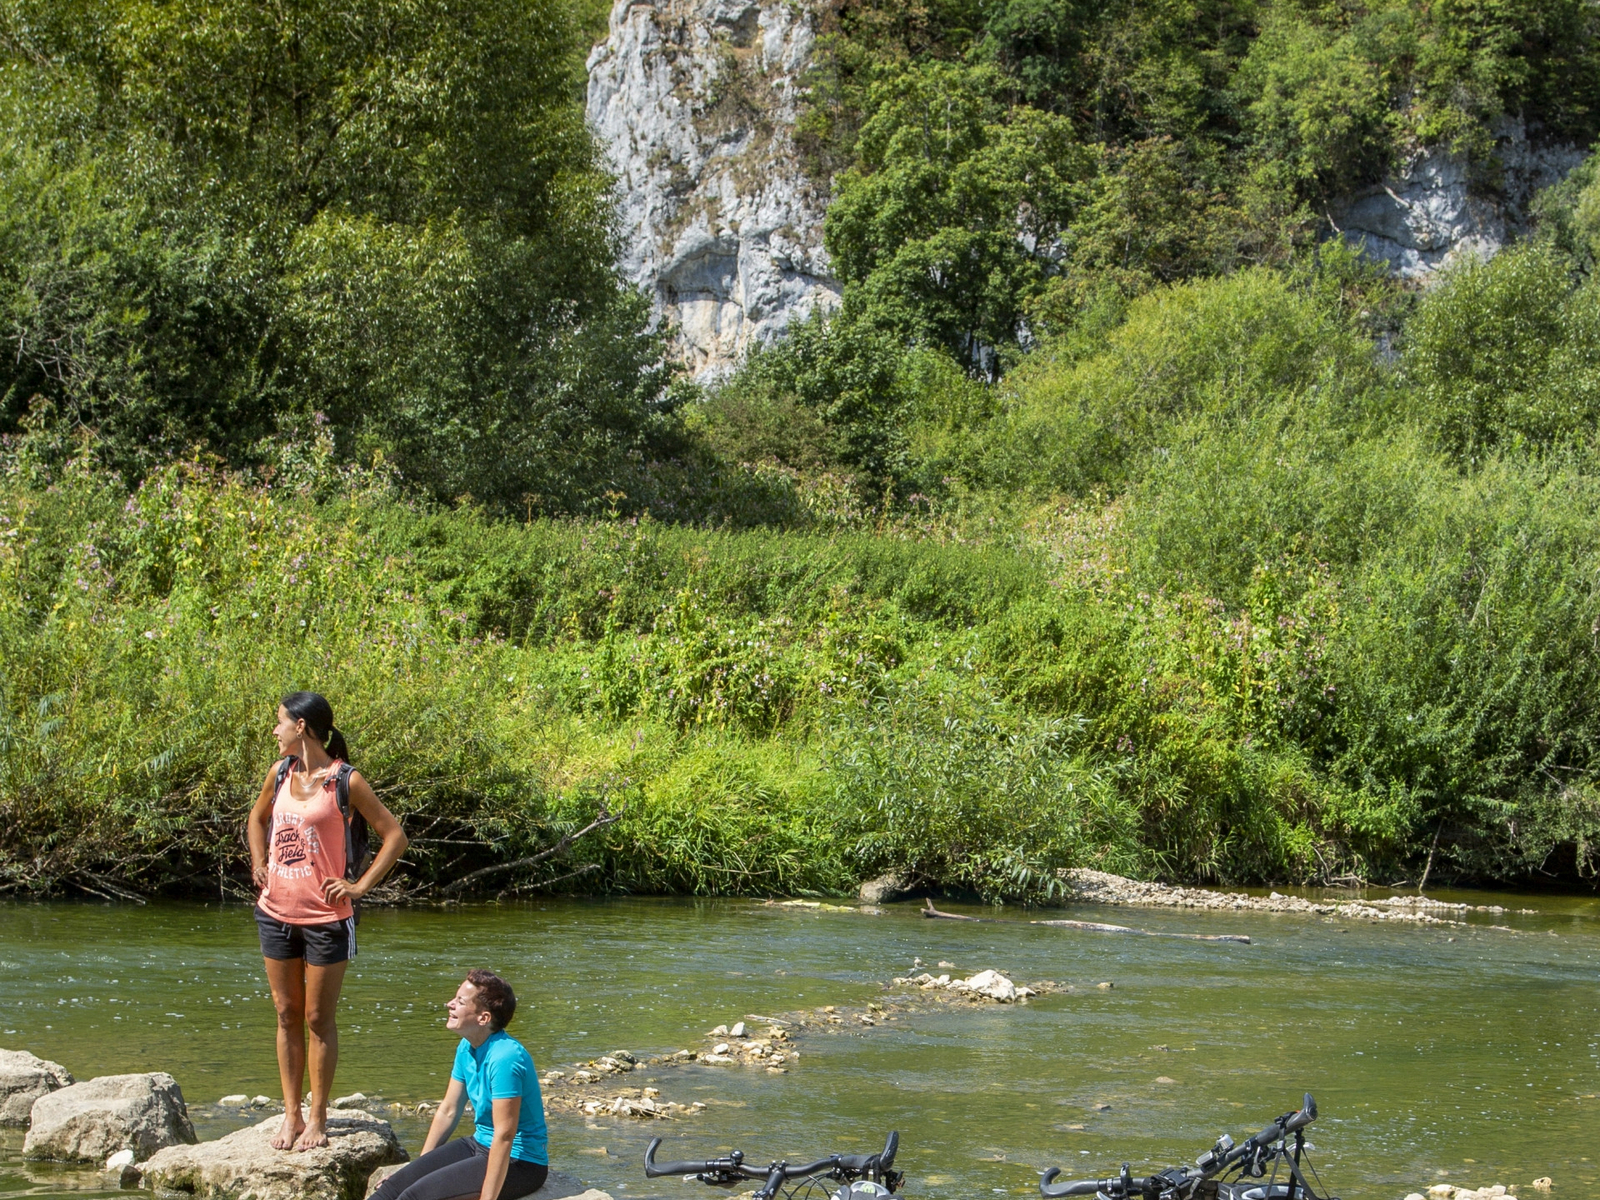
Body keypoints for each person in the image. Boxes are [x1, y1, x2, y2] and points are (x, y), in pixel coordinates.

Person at [247, 691, 409, 1151]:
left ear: (301, 726)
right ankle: (291, 1115)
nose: (274, 730)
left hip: (326, 918)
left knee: (317, 1018)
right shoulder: (280, 773)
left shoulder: (345, 780)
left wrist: (359, 887)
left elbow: (395, 836)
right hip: (275, 913)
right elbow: (256, 819)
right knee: (286, 1015)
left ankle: (318, 1117)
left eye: (279, 721)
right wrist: (258, 862)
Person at [372, 970, 550, 1200]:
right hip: (478, 1144)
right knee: (391, 1189)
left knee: (413, 1197)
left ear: (483, 1018)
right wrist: (417, 1170)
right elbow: (449, 1110)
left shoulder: (505, 1057)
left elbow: (505, 1134)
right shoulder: (467, 1047)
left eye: (460, 1001)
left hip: (521, 1162)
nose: (449, 1004)